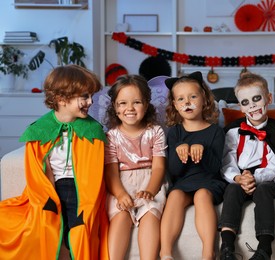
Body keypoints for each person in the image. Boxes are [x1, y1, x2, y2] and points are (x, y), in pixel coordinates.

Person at [0, 65, 109, 259]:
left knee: (80, 228)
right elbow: (39, 173)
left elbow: (93, 176)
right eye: (84, 96)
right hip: (51, 189)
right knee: (42, 222)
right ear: (61, 99)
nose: (91, 101)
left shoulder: (93, 131)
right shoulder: (40, 130)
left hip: (82, 191)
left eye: (91, 96)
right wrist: (49, 200)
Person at [218, 73, 275, 260]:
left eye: (257, 99)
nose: (252, 106)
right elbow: (227, 160)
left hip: (267, 178)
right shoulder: (234, 130)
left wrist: (255, 178)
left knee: (264, 191)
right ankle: (226, 247)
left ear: (268, 99)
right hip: (240, 178)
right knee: (232, 191)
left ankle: (265, 248)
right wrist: (238, 178)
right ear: (240, 107)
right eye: (245, 102)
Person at [159, 71, 226, 260]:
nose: (187, 102)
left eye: (193, 96)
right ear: (175, 105)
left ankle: (208, 253)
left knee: (202, 195)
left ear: (204, 99)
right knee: (174, 195)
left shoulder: (216, 131)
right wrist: (181, 152)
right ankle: (165, 253)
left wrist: (202, 150)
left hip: (209, 182)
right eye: (181, 99)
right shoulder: (175, 133)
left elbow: (214, 168)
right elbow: (173, 172)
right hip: (184, 182)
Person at [104, 74, 167, 260]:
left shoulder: (155, 131)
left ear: (146, 105)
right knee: (120, 216)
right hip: (121, 183)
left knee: (150, 215)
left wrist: (150, 190)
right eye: (122, 103)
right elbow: (111, 172)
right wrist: (120, 194)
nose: (129, 108)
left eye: (137, 102)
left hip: (150, 181)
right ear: (115, 107)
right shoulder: (112, 136)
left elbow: (159, 168)